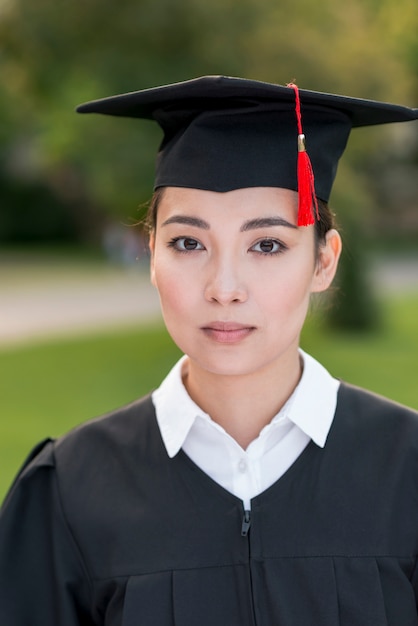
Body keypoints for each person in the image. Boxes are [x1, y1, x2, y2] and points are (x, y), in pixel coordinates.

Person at [0, 76, 417, 625]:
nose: (224, 287)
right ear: (150, 255)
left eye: (267, 244)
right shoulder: (70, 491)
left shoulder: (407, 471)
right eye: (187, 243)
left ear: (324, 261)